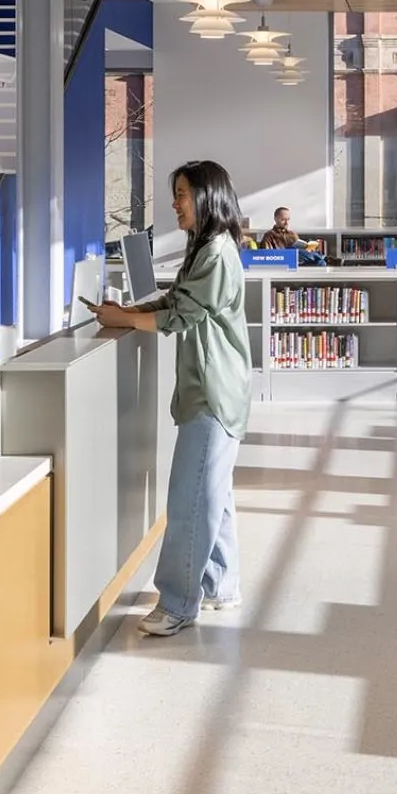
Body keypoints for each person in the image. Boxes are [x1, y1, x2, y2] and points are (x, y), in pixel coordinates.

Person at [93, 161, 251, 637]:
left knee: (190, 498)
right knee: (213, 493)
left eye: (182, 194)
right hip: (208, 390)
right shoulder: (202, 248)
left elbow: (182, 315)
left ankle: (179, 604)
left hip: (214, 394)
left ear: (206, 197)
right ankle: (221, 585)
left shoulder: (217, 253)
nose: (176, 203)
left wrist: (124, 321)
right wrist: (131, 311)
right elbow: (175, 299)